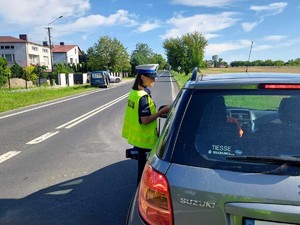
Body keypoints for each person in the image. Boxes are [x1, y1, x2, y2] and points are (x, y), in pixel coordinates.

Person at [122, 64, 170, 185]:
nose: (154, 79)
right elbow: (145, 120)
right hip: (145, 140)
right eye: (152, 77)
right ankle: (141, 197)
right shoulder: (142, 97)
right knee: (145, 174)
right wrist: (161, 112)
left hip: (137, 138)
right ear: (143, 77)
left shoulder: (134, 92)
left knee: (141, 170)